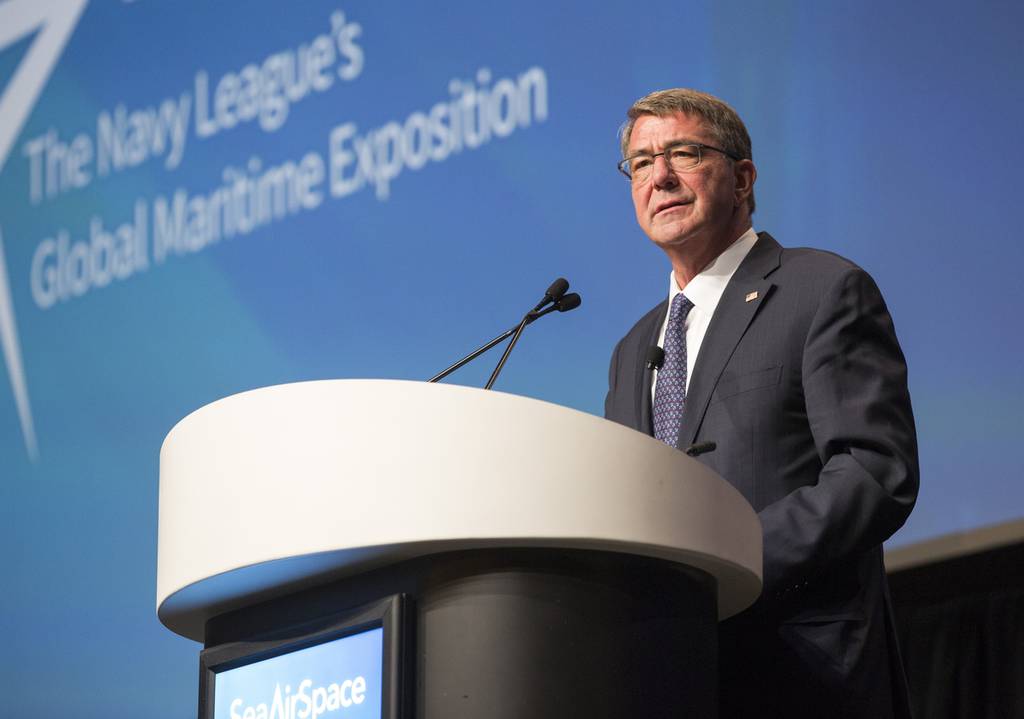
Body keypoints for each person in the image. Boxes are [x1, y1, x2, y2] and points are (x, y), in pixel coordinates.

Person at [604, 88, 919, 718]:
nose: (660, 177)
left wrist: (732, 558)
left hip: (803, 672)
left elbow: (873, 471)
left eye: (684, 154)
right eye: (641, 163)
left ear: (743, 178)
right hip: (676, 675)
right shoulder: (633, 348)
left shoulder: (821, 289)